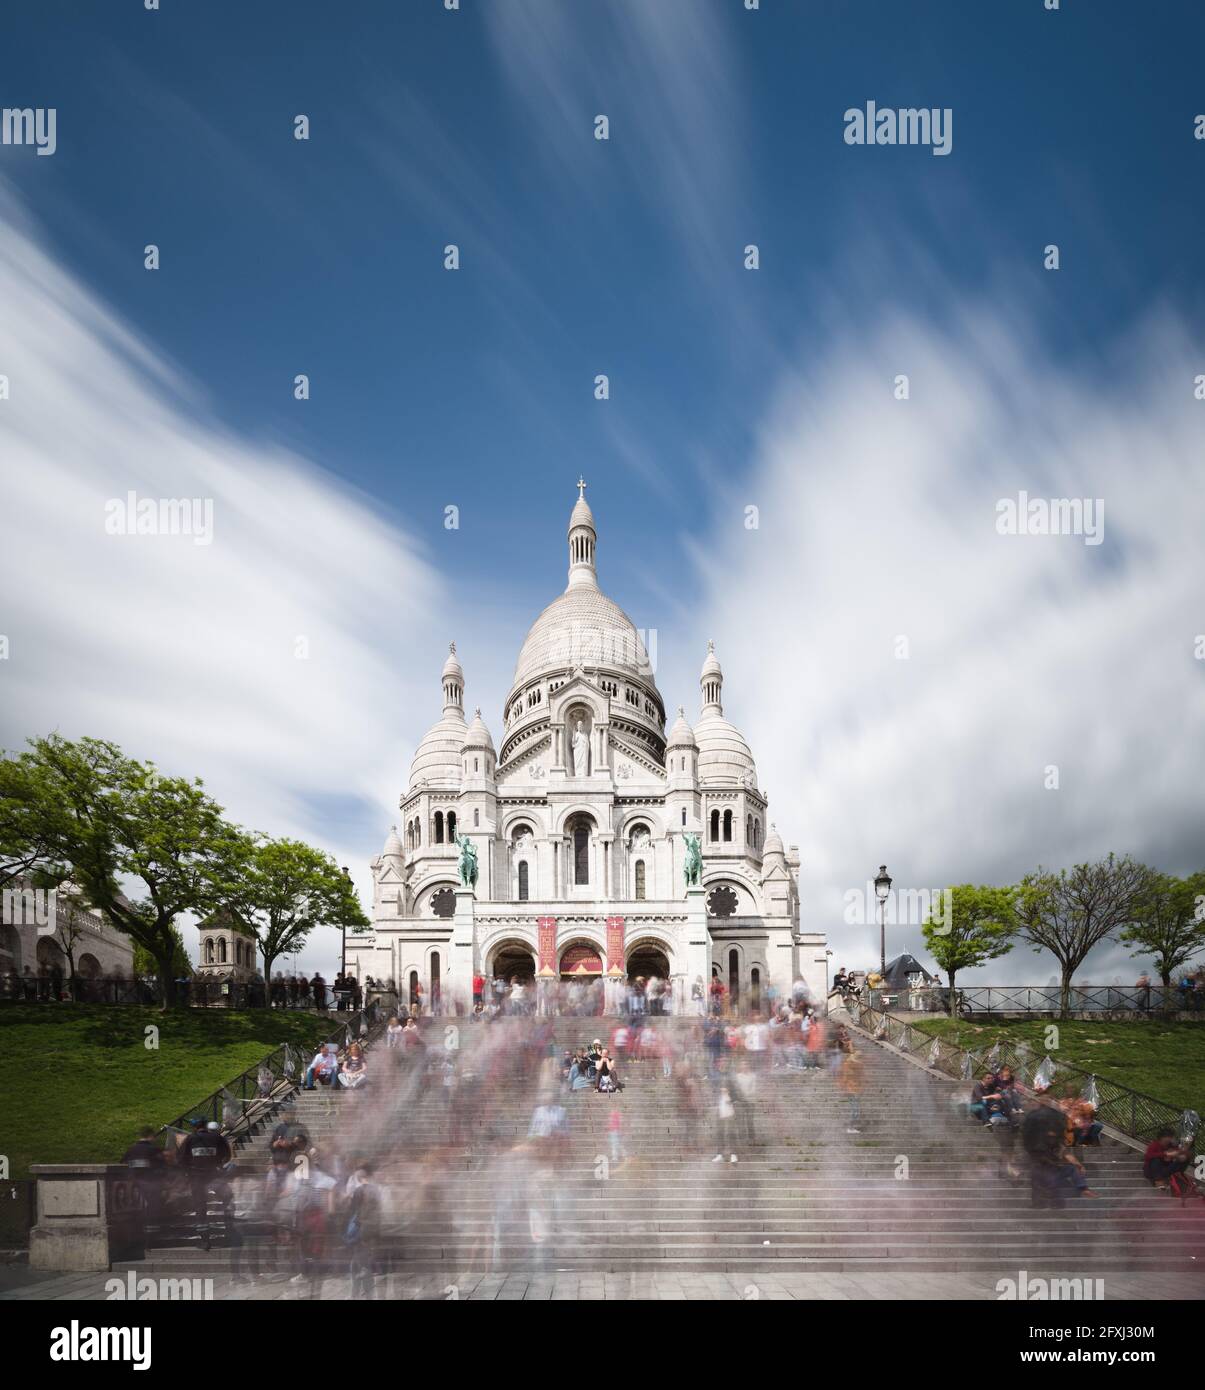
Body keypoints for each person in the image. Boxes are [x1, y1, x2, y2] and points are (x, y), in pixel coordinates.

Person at [178, 1119, 233, 1250]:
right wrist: (218, 1164)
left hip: (196, 1178)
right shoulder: (217, 1137)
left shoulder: (190, 1139)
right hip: (213, 1176)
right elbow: (227, 1154)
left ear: (194, 1127)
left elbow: (180, 1158)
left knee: (200, 1207)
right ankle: (230, 1229)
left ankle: (205, 1240)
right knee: (228, 1197)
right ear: (205, 1126)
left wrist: (188, 1172)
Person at [838, 1048, 864, 1133]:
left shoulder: (858, 1065)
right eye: (859, 1056)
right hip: (851, 1090)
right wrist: (844, 1088)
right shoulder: (848, 1064)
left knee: (856, 1110)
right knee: (855, 1110)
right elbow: (845, 1078)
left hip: (855, 1089)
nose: (860, 1058)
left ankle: (852, 1127)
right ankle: (851, 1128)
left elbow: (859, 1078)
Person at [713, 1087, 738, 1163]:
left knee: (731, 1135)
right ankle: (720, 1154)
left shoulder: (731, 1094)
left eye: (725, 1088)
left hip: (730, 1116)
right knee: (720, 1135)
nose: (723, 1089)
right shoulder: (718, 1095)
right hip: (720, 1117)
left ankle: (733, 1155)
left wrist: (729, 1098)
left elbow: (736, 1099)